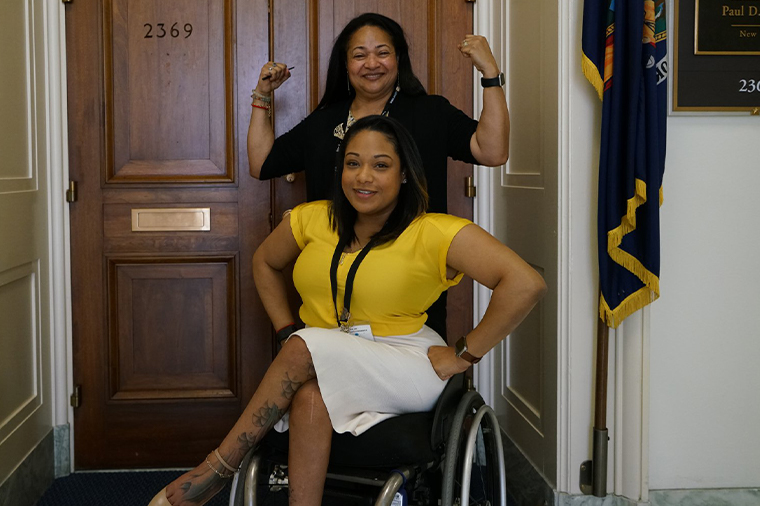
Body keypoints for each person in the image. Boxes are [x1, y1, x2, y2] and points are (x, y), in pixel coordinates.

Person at [148, 115, 545, 506]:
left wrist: (465, 352)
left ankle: (216, 470)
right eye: (353, 163)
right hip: (322, 351)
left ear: (404, 173)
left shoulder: (434, 231)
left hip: (404, 360)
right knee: (308, 397)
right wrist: (287, 327)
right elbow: (264, 263)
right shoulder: (313, 218)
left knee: (303, 348)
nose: (363, 177)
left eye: (381, 165)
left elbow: (525, 283)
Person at [248, 12, 509, 338]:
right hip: (332, 281)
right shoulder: (324, 121)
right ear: (345, 64)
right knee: (322, 384)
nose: (372, 63)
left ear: (398, 59)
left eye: (382, 52)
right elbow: (262, 164)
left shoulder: (430, 112)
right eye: (359, 55)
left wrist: (490, 74)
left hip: (407, 284)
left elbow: (493, 151)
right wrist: (262, 95)